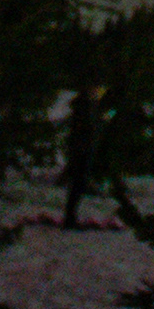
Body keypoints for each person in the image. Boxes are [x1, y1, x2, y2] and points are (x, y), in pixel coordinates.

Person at [58, 76, 113, 229]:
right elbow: (85, 128)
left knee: (79, 184)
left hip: (85, 147)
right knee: (77, 183)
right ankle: (70, 218)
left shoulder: (90, 105)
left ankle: (71, 216)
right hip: (81, 148)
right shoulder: (84, 105)